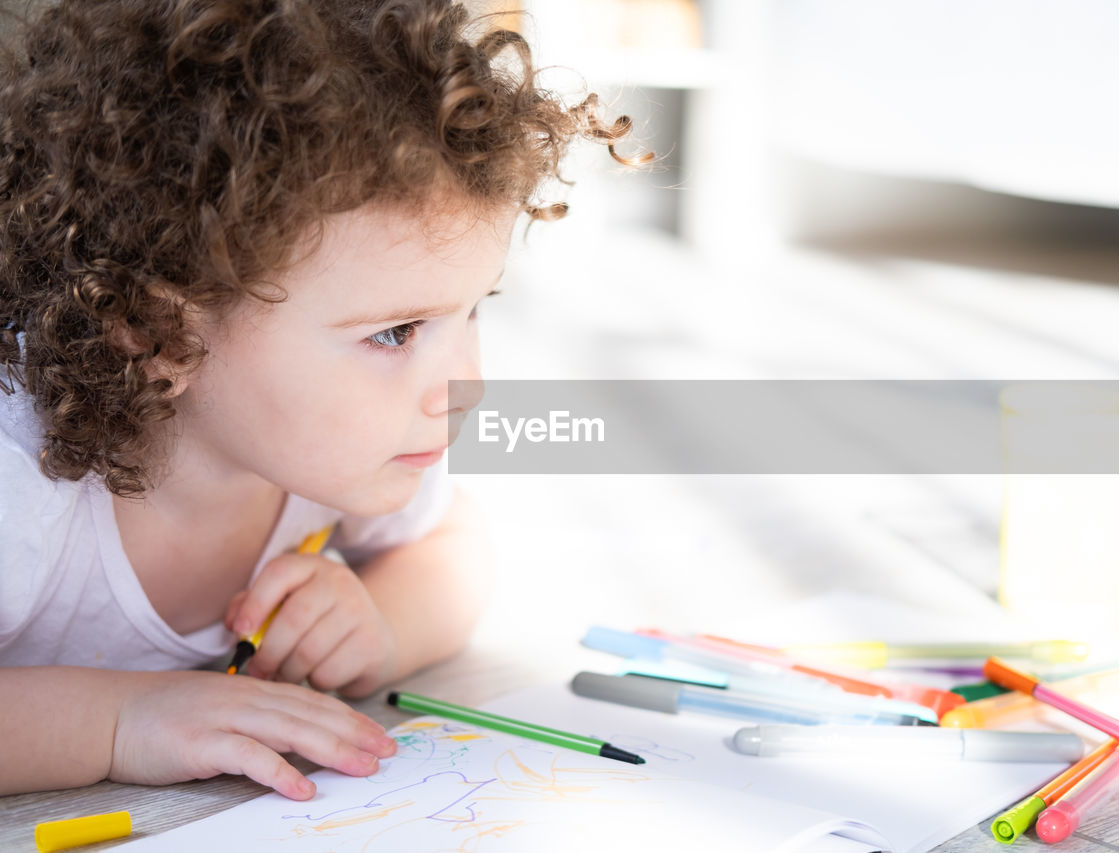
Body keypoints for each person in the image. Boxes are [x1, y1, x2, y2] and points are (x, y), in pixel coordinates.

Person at [0, 0, 641, 800]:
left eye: (474, 308)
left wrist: (383, 624)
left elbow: (451, 544)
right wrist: (118, 720)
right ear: (162, 332)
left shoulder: (333, 454)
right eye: (398, 331)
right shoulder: (22, 491)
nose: (467, 383)